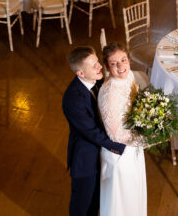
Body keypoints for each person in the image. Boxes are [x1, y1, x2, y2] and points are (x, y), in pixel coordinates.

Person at [62, 46, 126, 216]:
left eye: (97, 61)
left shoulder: (97, 80)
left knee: (98, 198)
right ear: (80, 73)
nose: (99, 66)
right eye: (94, 65)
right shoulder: (72, 99)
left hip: (101, 152)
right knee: (83, 204)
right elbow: (91, 132)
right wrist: (119, 146)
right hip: (86, 157)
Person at [98, 43, 147, 216]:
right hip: (120, 153)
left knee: (134, 196)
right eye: (114, 63)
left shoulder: (129, 75)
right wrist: (145, 134)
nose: (121, 67)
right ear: (107, 67)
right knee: (123, 201)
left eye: (123, 60)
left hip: (134, 147)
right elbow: (115, 135)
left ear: (128, 60)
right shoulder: (110, 94)